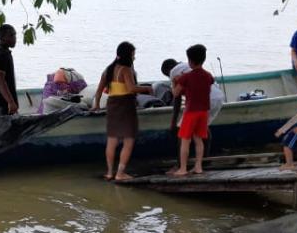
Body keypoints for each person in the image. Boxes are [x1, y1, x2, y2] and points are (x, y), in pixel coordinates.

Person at [91, 42, 154, 181]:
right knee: (129, 139)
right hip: (125, 104)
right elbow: (131, 89)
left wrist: (96, 105)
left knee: (112, 139)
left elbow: (99, 91)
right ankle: (120, 173)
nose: (134, 58)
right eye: (133, 55)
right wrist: (147, 89)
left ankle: (109, 172)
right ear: (128, 55)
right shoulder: (125, 70)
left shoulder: (107, 70)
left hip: (112, 104)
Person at [168, 44, 214, 176]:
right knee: (198, 139)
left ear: (190, 61)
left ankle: (183, 168)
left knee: (185, 140)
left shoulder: (186, 77)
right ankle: (198, 167)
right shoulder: (208, 75)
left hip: (191, 111)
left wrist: (175, 82)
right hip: (204, 111)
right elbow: (208, 82)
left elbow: (176, 94)